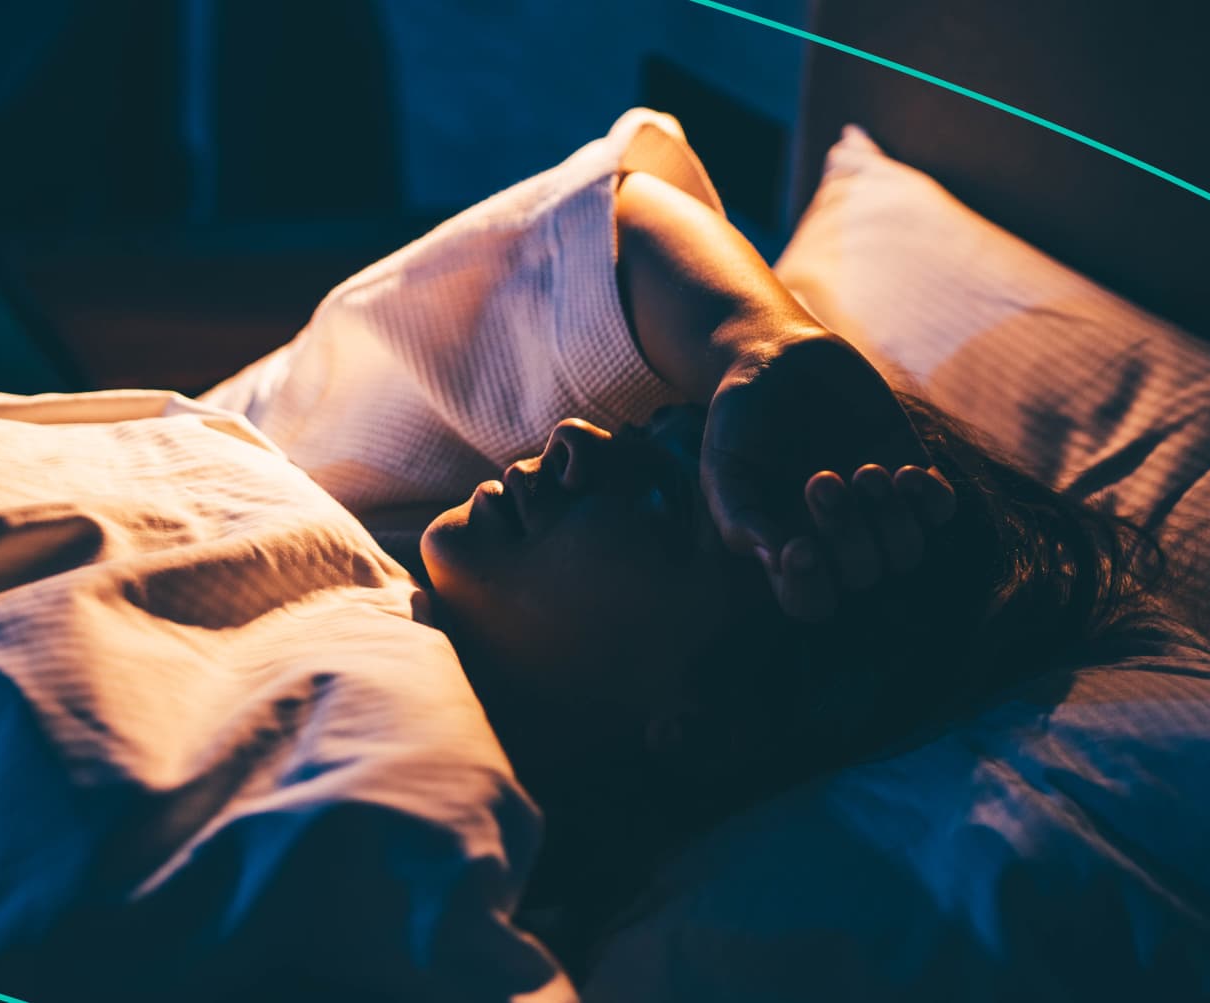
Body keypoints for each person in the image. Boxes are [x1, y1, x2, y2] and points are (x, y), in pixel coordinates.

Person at [381, 133, 1168, 971]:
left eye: (663, 502)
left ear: (705, 724)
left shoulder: (428, 891)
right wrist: (761, 342)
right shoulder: (382, 540)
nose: (575, 432)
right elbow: (610, 213)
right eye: (641, 429)